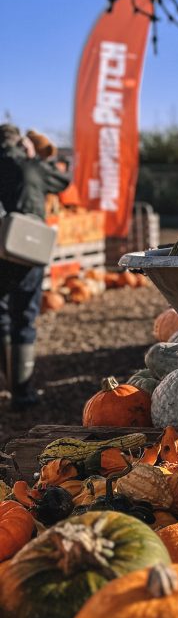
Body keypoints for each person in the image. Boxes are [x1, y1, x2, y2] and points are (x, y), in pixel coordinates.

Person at [0, 124, 70, 409]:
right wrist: (41, 157)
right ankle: (21, 393)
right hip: (25, 247)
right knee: (24, 317)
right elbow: (64, 181)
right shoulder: (31, 166)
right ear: (21, 143)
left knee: (1, 314)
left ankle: (5, 381)